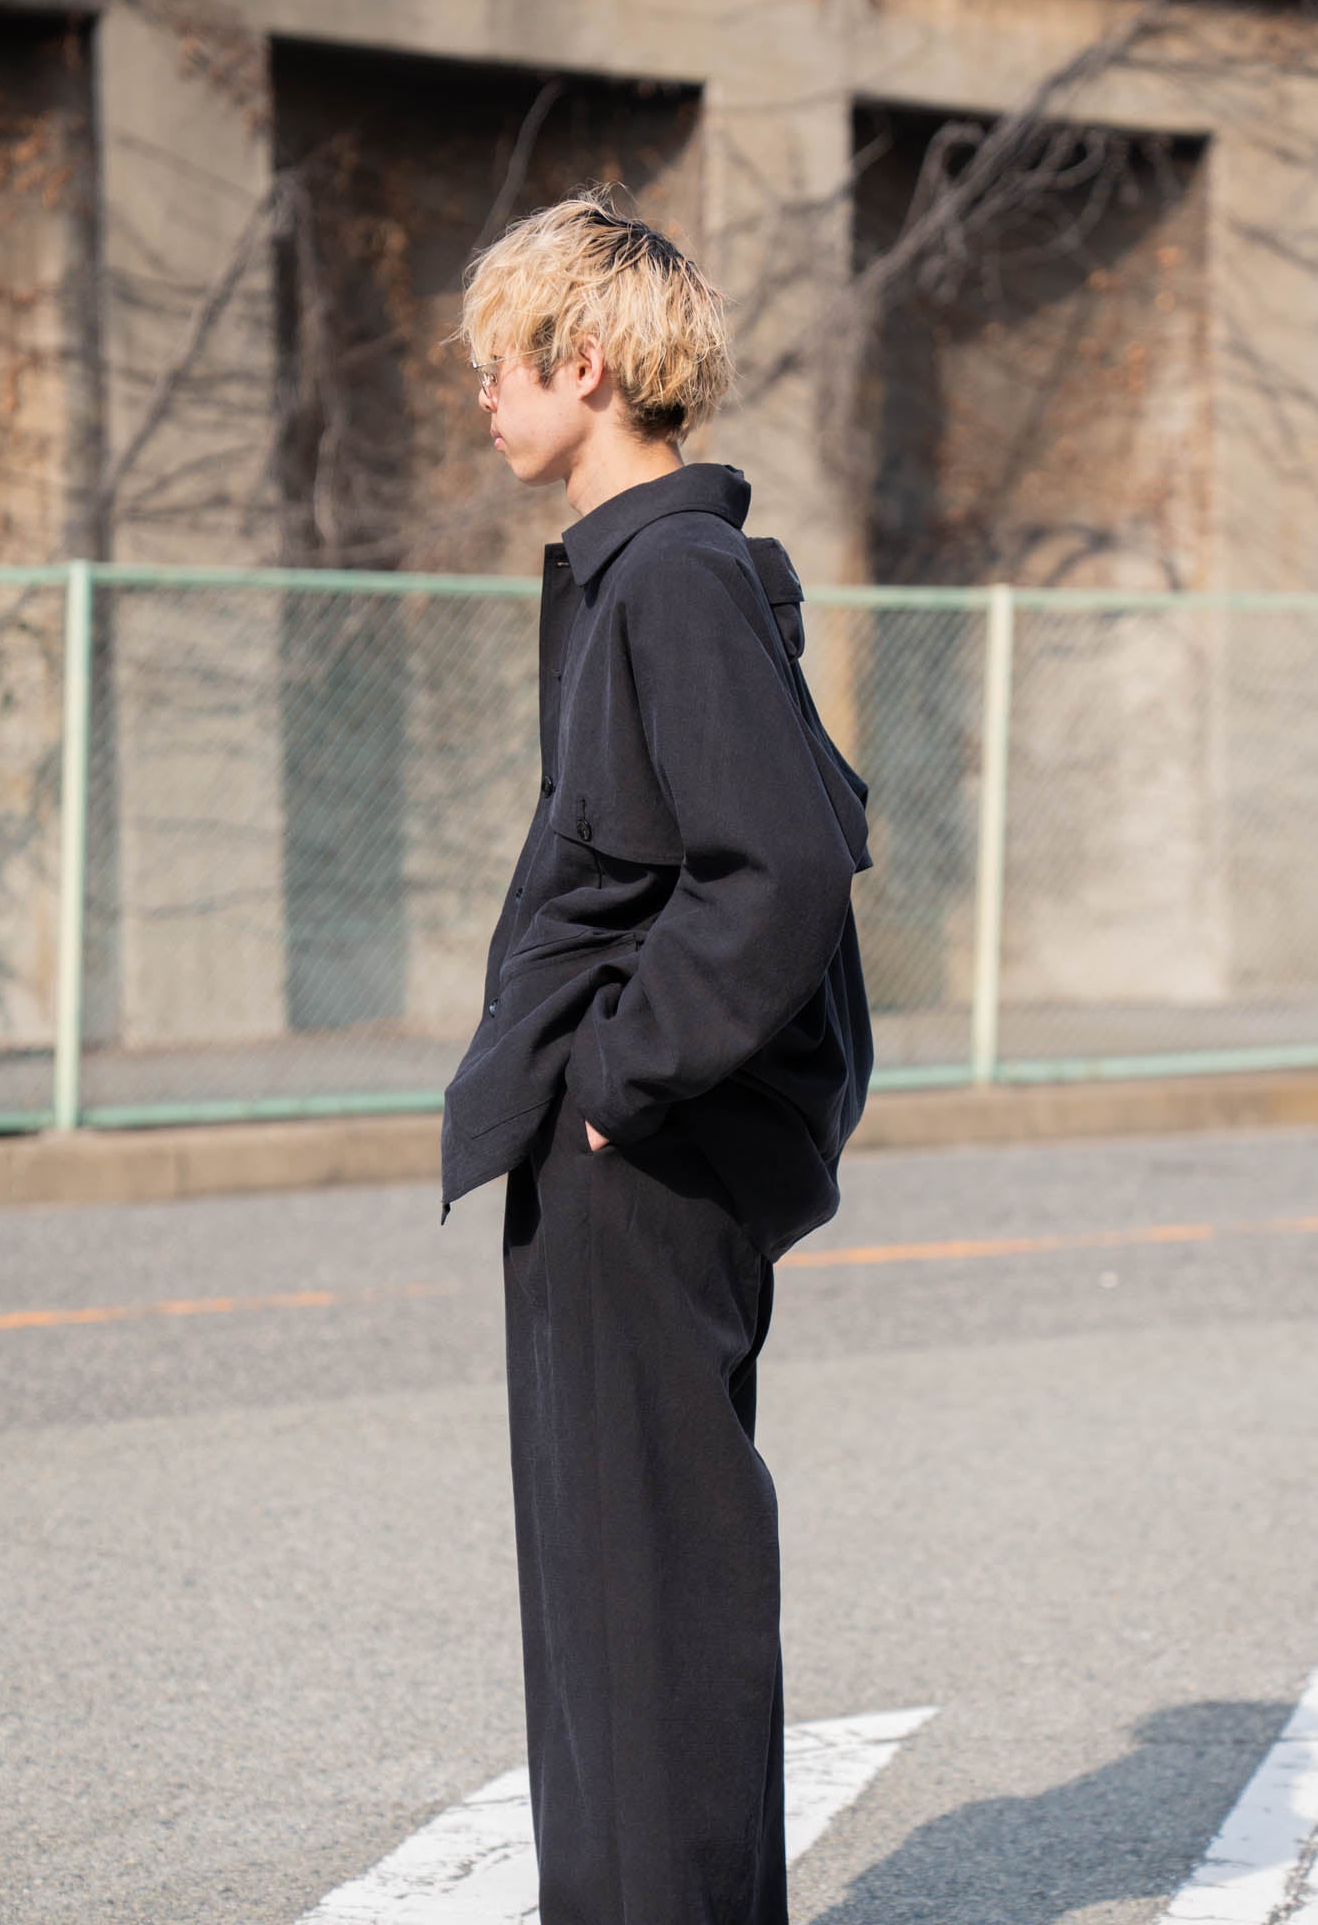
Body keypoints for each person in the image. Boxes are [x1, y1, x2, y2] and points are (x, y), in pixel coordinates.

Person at [438, 189, 873, 1925]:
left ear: (589, 362)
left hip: (644, 1151)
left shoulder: (672, 577)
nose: (481, 393)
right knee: (616, 1587)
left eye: (501, 361)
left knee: (647, 1587)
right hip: (625, 1144)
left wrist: (619, 1083)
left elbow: (779, 860)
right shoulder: (638, 570)